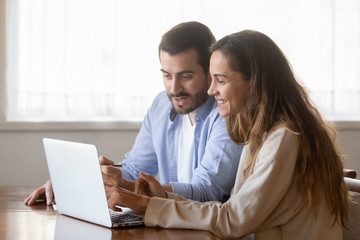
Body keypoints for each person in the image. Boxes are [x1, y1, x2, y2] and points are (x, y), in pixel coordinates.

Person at [104, 30, 349, 239]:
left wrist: (149, 205)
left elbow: (234, 219)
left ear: (255, 82)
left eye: (220, 80)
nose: (212, 90)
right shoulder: (260, 134)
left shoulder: (283, 137)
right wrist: (163, 197)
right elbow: (231, 211)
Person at [24, 21, 243, 206]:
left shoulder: (227, 114)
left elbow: (206, 192)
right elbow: (133, 170)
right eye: (167, 75)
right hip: (169, 226)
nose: (174, 88)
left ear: (210, 73)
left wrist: (127, 188)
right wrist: (75, 183)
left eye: (185, 76)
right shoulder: (161, 106)